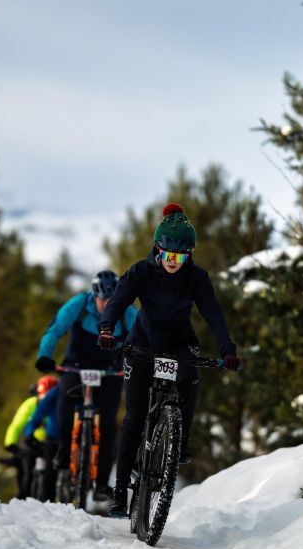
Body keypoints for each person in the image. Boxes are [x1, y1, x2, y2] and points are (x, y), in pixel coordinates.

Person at [97, 203, 243, 518]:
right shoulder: (140, 271)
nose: (173, 263)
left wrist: (227, 349)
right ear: (157, 250)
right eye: (168, 256)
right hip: (143, 345)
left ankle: (179, 441)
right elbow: (118, 301)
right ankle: (121, 493)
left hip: (179, 344)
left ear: (189, 255)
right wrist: (107, 328)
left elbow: (213, 315)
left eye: (181, 257)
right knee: (134, 418)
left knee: (191, 379)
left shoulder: (197, 278)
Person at [34, 271, 138, 501]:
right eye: (102, 300)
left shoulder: (127, 311)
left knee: (109, 424)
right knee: (65, 404)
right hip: (77, 367)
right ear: (94, 296)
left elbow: (143, 337)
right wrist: (45, 355)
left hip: (111, 370)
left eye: (112, 300)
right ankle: (64, 447)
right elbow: (55, 329)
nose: (106, 305)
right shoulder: (79, 304)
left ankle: (101, 483)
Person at [3, 376, 60, 499]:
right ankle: (22, 497)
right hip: (30, 443)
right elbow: (17, 423)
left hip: (49, 443)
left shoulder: (58, 405)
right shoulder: (30, 404)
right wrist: (10, 442)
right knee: (26, 471)